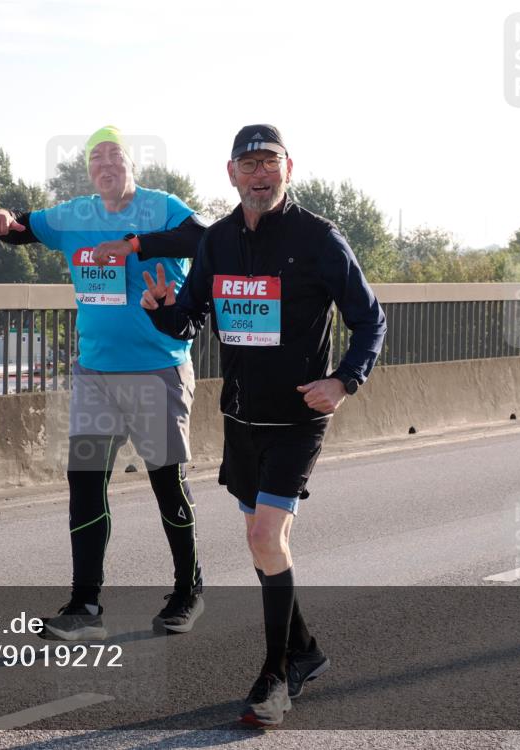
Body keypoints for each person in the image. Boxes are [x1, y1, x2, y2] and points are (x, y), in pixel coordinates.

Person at [141, 124, 387, 726]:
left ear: (288, 168)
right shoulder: (219, 241)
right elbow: (189, 319)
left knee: (263, 540)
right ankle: (304, 651)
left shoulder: (320, 239)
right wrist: (161, 312)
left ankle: (274, 679)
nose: (259, 174)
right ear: (231, 174)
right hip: (240, 416)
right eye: (248, 164)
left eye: (268, 162)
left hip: (297, 416)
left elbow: (370, 319)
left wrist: (344, 381)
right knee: (265, 544)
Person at [0, 126, 207, 640]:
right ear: (89, 172)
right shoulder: (74, 215)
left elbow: (202, 238)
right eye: (96, 159)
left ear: (131, 165)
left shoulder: (159, 206)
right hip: (96, 372)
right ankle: (85, 605)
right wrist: (0, 220)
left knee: (165, 479)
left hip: (157, 367)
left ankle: (188, 590)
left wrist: (132, 246)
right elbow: (24, 229)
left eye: (115, 155)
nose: (106, 165)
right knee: (84, 483)